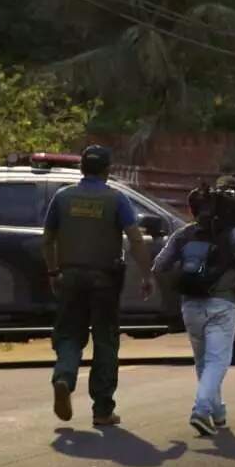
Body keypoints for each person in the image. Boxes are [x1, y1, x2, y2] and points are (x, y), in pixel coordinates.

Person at [43, 145, 152, 426]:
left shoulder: (62, 197)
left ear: (81, 168)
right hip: (105, 279)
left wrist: (54, 271)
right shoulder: (116, 200)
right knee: (105, 340)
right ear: (107, 170)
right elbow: (136, 238)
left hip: (69, 277)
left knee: (69, 333)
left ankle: (64, 377)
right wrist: (147, 274)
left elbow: (48, 239)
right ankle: (102, 410)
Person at [153, 185, 235, 436]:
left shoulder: (182, 235)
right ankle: (200, 410)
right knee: (217, 362)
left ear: (191, 210)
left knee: (204, 362)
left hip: (190, 306)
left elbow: (159, 266)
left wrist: (174, 288)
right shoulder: (231, 235)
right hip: (222, 306)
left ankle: (218, 413)